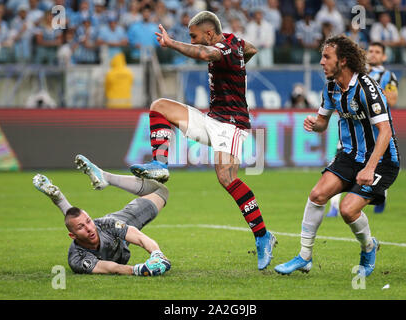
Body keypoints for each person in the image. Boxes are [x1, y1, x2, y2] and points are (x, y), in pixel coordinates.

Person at [129, 11, 277, 270]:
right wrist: (241, 64)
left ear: (209, 33)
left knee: (226, 178)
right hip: (212, 119)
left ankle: (263, 236)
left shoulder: (224, 49)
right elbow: (250, 49)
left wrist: (172, 42)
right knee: (159, 106)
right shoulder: (237, 45)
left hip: (232, 124)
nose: (194, 41)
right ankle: (160, 164)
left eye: (195, 36)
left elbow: (205, 54)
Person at [274, 35, 400, 277]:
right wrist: (315, 123)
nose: (321, 62)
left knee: (347, 210)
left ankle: (369, 247)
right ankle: (304, 257)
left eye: (326, 57)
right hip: (350, 155)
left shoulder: (367, 88)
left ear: (342, 61)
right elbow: (323, 122)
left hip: (382, 161)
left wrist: (370, 168)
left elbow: (385, 132)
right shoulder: (331, 87)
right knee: (317, 194)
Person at [33, 154, 171, 276]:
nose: (89, 228)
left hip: (117, 225)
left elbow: (139, 237)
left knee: (160, 191)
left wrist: (156, 254)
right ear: (72, 236)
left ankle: (105, 177)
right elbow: (111, 267)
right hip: (113, 241)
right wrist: (138, 270)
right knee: (75, 221)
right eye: (82, 227)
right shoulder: (77, 258)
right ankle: (59, 199)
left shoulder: (106, 224)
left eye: (88, 221)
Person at [327, 41, 398, 216]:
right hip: (351, 132)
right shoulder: (355, 73)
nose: (373, 54)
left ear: (384, 56)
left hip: (373, 132)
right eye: (371, 51)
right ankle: (334, 206)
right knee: (337, 162)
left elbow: (393, 100)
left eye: (377, 51)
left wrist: (371, 93)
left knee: (377, 162)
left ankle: (379, 193)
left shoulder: (388, 76)